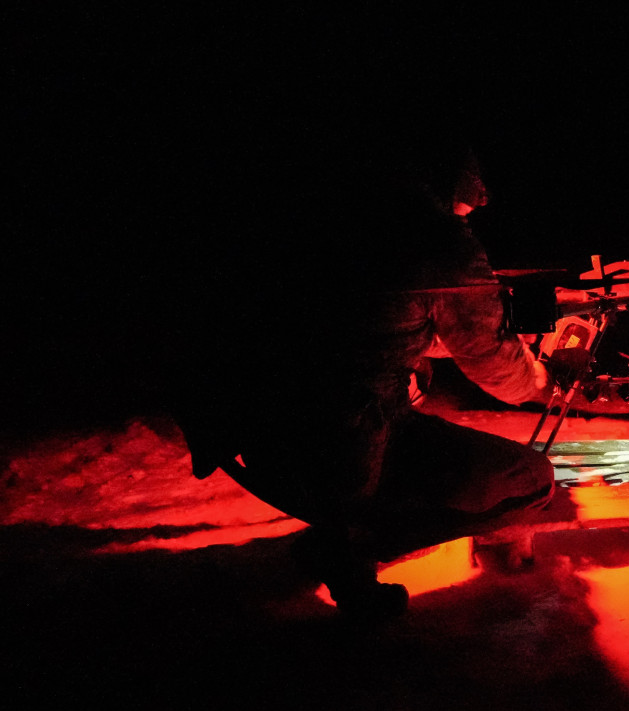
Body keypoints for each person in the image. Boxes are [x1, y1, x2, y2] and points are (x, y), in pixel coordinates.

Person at [167, 125, 554, 618]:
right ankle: (351, 551)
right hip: (345, 447)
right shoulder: (438, 243)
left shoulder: (333, 218)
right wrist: (541, 376)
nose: (470, 216)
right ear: (450, 187)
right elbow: (496, 367)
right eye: (467, 206)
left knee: (407, 397)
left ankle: (340, 535)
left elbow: (375, 323)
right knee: (532, 480)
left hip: (265, 438)